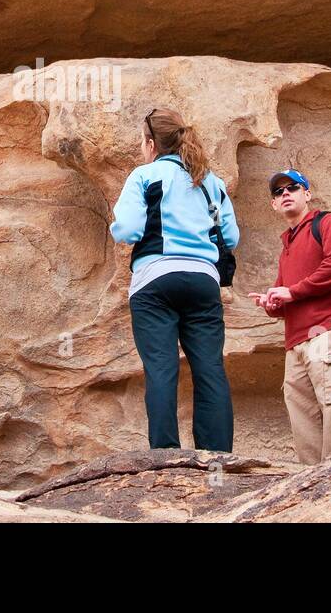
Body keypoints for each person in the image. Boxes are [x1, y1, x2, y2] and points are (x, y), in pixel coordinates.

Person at [109, 108, 238, 452]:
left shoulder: (144, 175)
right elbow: (231, 236)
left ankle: (166, 455)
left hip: (155, 281)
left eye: (142, 141)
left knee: (162, 369)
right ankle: (217, 457)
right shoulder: (210, 181)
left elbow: (128, 229)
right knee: (210, 368)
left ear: (151, 143)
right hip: (203, 281)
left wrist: (115, 222)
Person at [249, 169, 331, 465]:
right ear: (274, 205)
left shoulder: (328, 223)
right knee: (303, 419)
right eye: (278, 192)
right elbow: (288, 298)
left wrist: (292, 292)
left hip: (330, 331)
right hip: (296, 343)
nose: (285, 193)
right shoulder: (287, 246)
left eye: (293, 188)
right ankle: (312, 490)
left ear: (307, 194)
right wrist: (271, 302)